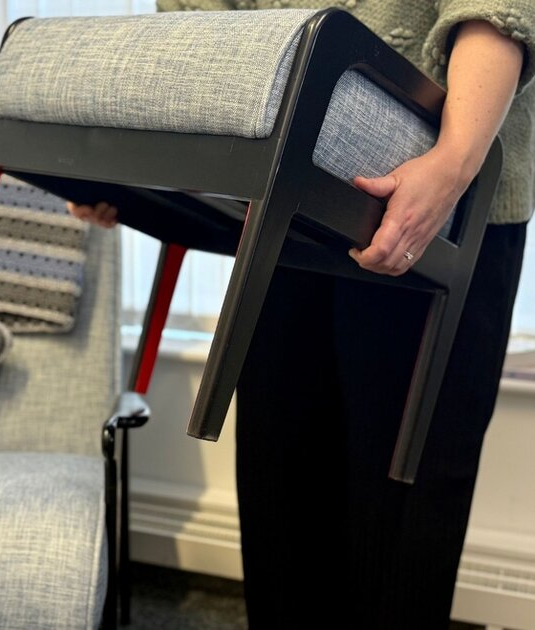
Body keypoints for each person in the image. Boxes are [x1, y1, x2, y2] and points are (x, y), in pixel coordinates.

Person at [69, 1, 534, 628]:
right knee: (282, 486)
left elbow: (499, 11)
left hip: (440, 199)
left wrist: (452, 163)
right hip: (281, 193)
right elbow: (200, 26)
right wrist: (137, 165)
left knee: (399, 515)